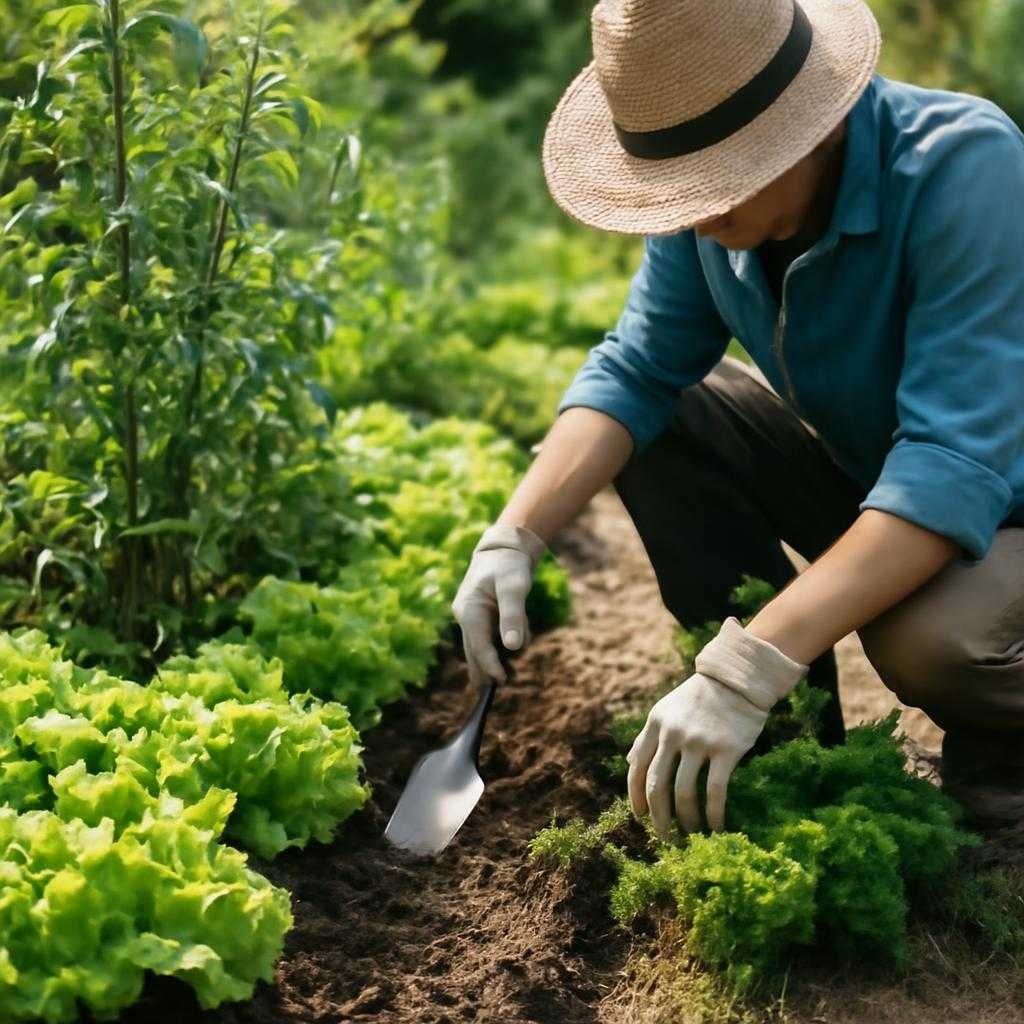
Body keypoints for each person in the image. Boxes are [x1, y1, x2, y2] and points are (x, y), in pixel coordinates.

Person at [451, 0, 1024, 841]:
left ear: (805, 129)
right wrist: (515, 536)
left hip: (1000, 504)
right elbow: (639, 369)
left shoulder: (965, 171)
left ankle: (1006, 751)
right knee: (668, 415)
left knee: (932, 641)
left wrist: (746, 669)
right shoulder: (707, 214)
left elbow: (950, 465)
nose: (690, 216)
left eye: (713, 184)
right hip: (889, 483)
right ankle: (790, 734)